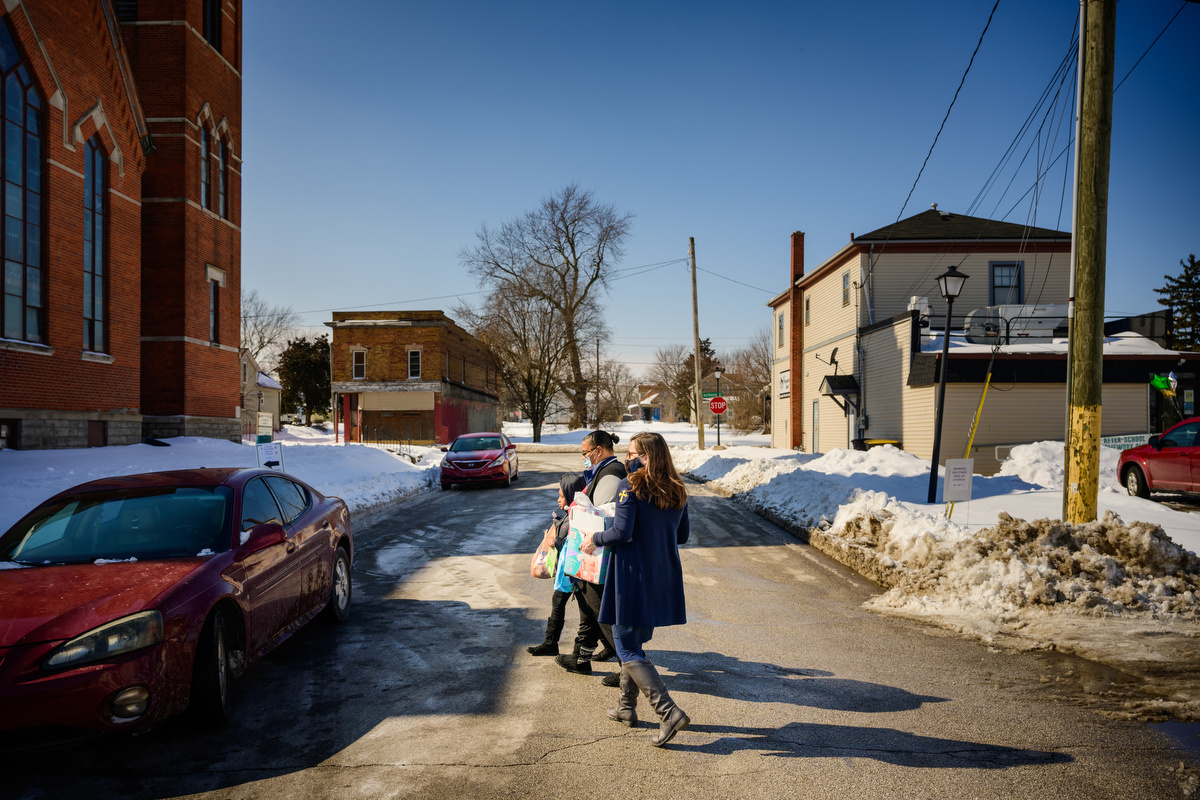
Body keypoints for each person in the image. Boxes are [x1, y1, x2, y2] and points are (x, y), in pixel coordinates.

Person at [580, 431, 690, 747]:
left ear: (646, 456)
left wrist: (594, 538)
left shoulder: (630, 486)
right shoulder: (678, 488)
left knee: (626, 648)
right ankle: (625, 707)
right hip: (662, 574)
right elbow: (682, 535)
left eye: (631, 453)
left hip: (631, 575)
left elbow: (621, 532)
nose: (627, 459)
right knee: (634, 645)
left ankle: (668, 712)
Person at [556, 430, 626, 682]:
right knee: (589, 606)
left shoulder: (611, 474)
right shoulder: (603, 470)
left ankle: (629, 668)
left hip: (599, 554)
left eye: (585, 453)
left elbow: (604, 515)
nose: (584, 457)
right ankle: (581, 658)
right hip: (593, 552)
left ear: (599, 450)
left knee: (603, 612)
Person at [527, 475, 585, 656]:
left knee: (588, 610)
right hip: (566, 573)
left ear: (571, 495)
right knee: (560, 603)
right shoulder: (569, 515)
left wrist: (557, 542)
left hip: (576, 573)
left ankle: (609, 647)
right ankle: (550, 643)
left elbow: (576, 545)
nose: (558, 500)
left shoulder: (577, 517)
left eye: (561, 496)